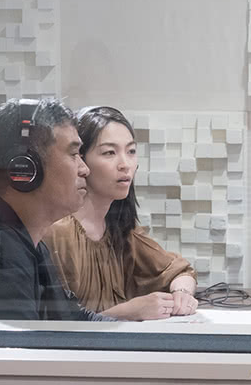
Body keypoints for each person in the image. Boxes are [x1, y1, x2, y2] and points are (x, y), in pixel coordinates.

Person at [44, 106, 198, 321]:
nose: (125, 164)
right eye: (109, 153)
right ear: (81, 161)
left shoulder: (119, 228)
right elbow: (56, 325)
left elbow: (180, 271)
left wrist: (182, 294)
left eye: (131, 151)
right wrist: (128, 312)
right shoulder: (57, 232)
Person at [0, 98, 112, 320]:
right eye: (73, 154)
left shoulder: (27, 241)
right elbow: (23, 343)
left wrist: (148, 331)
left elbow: (73, 321)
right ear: (25, 168)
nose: (84, 169)